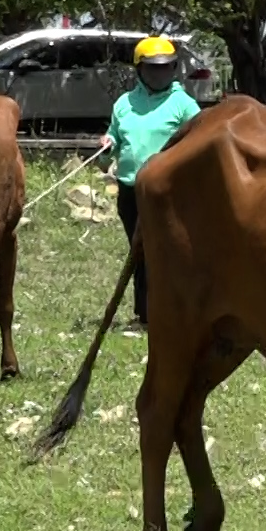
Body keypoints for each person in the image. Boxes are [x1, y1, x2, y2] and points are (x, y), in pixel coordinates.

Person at [101, 35, 202, 326]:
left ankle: (177, 310)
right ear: (139, 70)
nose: (161, 73)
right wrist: (107, 147)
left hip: (168, 192)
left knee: (169, 252)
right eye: (154, 68)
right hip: (131, 190)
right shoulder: (124, 104)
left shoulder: (184, 104)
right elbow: (115, 142)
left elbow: (199, 142)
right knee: (140, 253)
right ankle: (145, 314)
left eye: (167, 67)